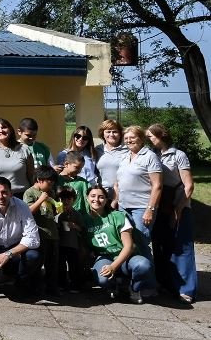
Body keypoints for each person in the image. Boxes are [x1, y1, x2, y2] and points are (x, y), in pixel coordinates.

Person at [146, 123, 197, 304]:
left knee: (181, 248)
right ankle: (164, 283)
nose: (149, 139)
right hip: (160, 206)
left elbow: (189, 185)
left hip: (178, 205)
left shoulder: (178, 155)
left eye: (151, 136)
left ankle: (186, 289)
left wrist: (179, 209)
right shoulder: (152, 155)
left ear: (161, 136)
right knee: (160, 246)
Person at [83, 185, 154, 303]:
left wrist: (113, 267)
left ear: (106, 200)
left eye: (101, 197)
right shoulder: (84, 220)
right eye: (93, 196)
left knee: (143, 265)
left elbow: (129, 246)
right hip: (105, 257)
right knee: (102, 279)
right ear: (87, 198)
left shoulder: (118, 216)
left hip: (126, 257)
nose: (96, 200)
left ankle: (134, 288)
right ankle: (113, 285)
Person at [115, 125, 162, 247]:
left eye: (132, 137)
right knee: (126, 243)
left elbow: (157, 185)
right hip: (123, 207)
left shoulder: (150, 156)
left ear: (141, 139)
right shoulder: (125, 156)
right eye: (126, 138)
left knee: (141, 243)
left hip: (141, 208)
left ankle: (147, 266)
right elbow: (119, 180)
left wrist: (150, 209)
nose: (129, 140)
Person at [23, 165, 60, 296]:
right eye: (49, 182)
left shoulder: (51, 192)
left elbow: (53, 212)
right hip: (39, 234)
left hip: (52, 233)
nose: (51, 185)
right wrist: (40, 200)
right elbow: (28, 212)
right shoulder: (30, 192)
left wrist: (58, 207)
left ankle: (52, 288)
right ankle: (34, 288)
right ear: (39, 179)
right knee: (37, 263)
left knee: (53, 264)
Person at [0, 118, 34, 198]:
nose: (1, 130)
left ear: (10, 130)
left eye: (4, 127)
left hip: (20, 196)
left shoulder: (24, 149)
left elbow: (31, 176)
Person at [55, 186, 84, 293]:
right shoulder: (57, 212)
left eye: (69, 199)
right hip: (60, 243)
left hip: (72, 243)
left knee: (74, 265)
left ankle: (75, 284)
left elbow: (82, 228)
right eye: (63, 199)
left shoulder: (76, 214)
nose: (66, 201)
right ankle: (62, 283)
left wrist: (75, 226)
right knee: (60, 264)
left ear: (73, 200)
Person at [95, 119, 125, 206]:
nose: (111, 134)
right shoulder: (97, 150)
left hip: (122, 194)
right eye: (108, 131)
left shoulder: (127, 150)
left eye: (115, 132)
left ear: (120, 134)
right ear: (103, 134)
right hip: (103, 195)